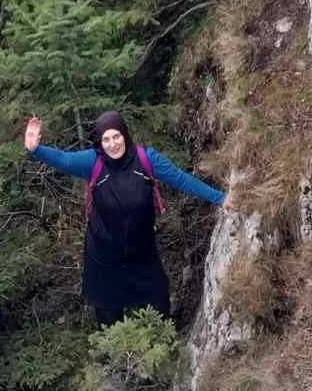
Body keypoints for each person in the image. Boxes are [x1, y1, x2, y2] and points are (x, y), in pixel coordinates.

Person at [24, 110, 230, 328]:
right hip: (103, 257)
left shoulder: (146, 159)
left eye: (116, 136)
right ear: (100, 142)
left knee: (158, 307)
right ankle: (120, 351)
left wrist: (220, 198)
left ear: (125, 134)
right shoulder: (93, 162)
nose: (112, 144)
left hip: (142, 253)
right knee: (109, 319)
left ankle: (160, 345)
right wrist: (35, 149)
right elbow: (63, 160)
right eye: (106, 139)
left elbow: (181, 179)